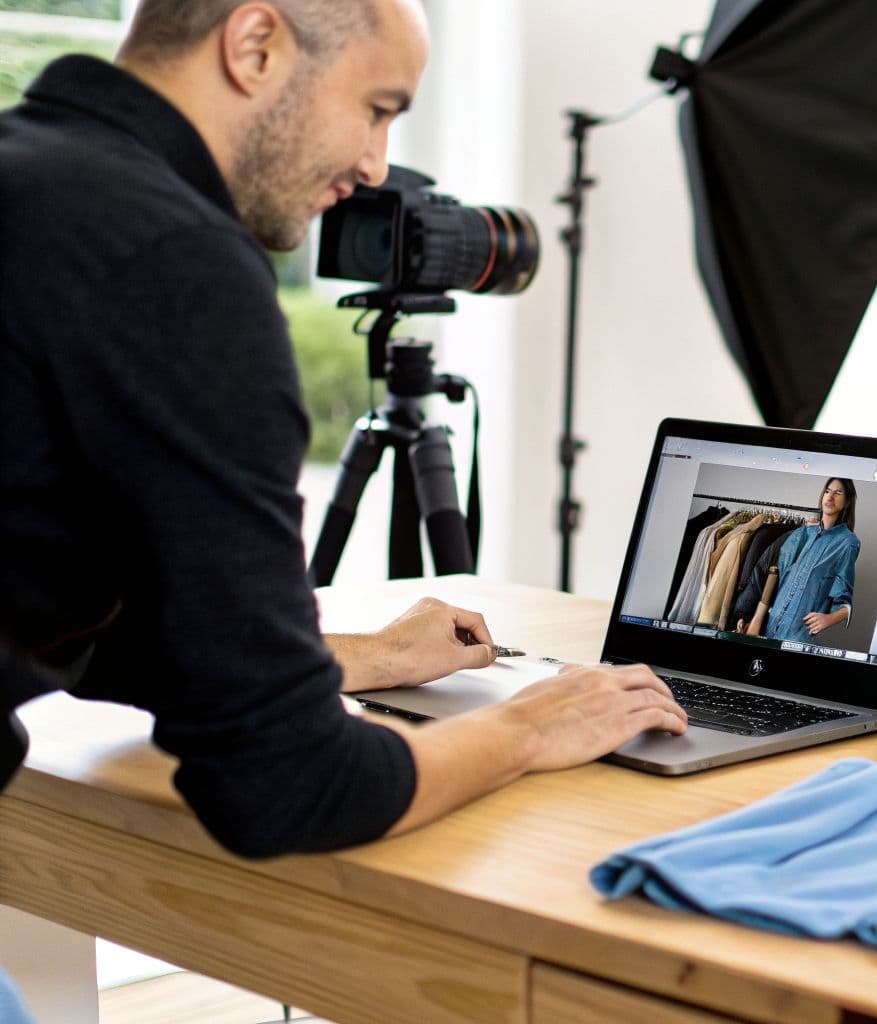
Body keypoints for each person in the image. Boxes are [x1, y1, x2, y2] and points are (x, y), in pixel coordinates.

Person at [0, 0, 687, 868]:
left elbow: (65, 623)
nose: (375, 168)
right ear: (256, 46)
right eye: (377, 109)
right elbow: (287, 787)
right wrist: (531, 722)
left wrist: (374, 655)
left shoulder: (29, 178)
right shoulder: (175, 260)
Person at [761, 478, 861, 644]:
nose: (830, 497)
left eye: (838, 493)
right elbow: (776, 576)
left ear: (848, 500)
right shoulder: (803, 533)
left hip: (796, 636)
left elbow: (844, 596)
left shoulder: (847, 543)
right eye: (828, 491)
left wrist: (828, 618)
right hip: (768, 626)